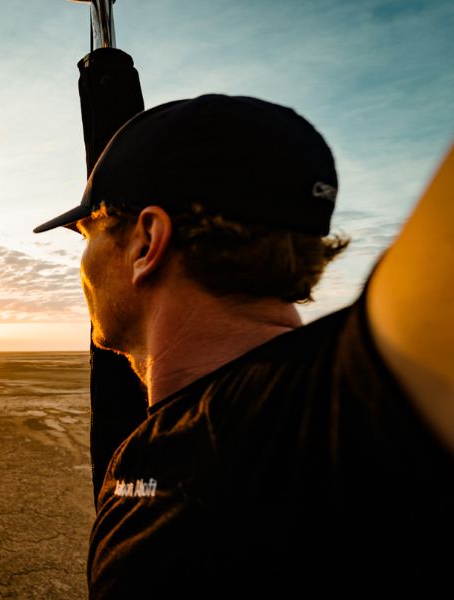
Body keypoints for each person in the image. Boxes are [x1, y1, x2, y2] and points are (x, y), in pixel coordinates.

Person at [33, 94, 454, 596]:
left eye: (88, 234)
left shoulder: (332, 409)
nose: (82, 262)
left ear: (147, 242)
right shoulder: (192, 431)